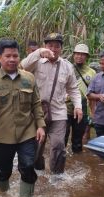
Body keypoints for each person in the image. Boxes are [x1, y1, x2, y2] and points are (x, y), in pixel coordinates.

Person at [0, 39, 46, 197]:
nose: (12, 59)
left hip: (27, 132)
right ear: (0, 57)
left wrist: (40, 126)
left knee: (28, 166)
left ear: (19, 57)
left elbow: (36, 104)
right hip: (3, 135)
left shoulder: (29, 78)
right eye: (8, 56)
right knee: (4, 170)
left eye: (15, 56)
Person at [21, 33, 83, 174]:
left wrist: (78, 106)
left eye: (57, 46)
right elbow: (22, 66)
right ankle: (38, 171)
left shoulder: (67, 67)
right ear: (45, 46)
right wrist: (38, 52)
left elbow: (73, 89)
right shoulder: (36, 62)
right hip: (37, 113)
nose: (53, 49)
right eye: (50, 45)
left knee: (58, 145)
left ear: (61, 48)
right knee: (36, 146)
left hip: (58, 112)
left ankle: (57, 175)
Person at [65, 44, 96, 153]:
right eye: (77, 54)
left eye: (83, 54)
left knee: (78, 142)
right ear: (73, 55)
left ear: (87, 57)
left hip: (82, 110)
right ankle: (61, 164)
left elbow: (92, 95)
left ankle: (77, 162)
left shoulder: (92, 73)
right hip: (65, 109)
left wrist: (93, 113)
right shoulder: (66, 68)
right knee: (62, 139)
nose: (79, 56)